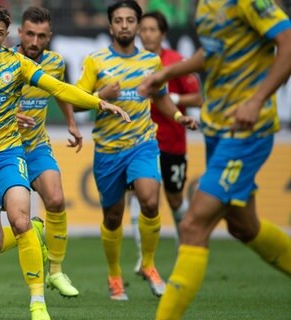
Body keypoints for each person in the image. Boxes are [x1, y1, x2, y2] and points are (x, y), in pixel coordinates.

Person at [0, 4, 129, 319]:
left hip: (8, 153)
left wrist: (98, 102)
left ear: (6, 36)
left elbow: (58, 87)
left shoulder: (15, 63)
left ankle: (37, 302)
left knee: (20, 219)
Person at [137, 0, 291, 318]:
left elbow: (288, 41)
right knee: (243, 226)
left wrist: (257, 99)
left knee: (193, 225)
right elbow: (212, 52)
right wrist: (166, 73)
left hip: (246, 131)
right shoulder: (207, 5)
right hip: (218, 129)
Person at [0, 6, 82, 308]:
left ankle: (55, 271)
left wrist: (72, 122)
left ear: (49, 37)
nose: (35, 40)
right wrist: (11, 112)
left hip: (34, 147)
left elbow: (61, 92)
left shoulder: (54, 63)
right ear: (20, 34)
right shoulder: (6, 60)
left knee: (52, 201)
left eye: (41, 36)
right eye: (30, 34)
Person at [74, 0, 197, 301]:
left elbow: (162, 99)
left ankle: (150, 265)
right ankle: (114, 275)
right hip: (108, 150)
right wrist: (101, 95)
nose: (125, 25)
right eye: (119, 20)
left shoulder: (151, 63)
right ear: (111, 25)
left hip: (142, 144)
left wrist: (180, 117)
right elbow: (76, 102)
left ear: (138, 26)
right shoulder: (96, 61)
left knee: (149, 201)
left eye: (131, 20)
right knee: (113, 218)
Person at [128, 10, 203, 273]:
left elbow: (198, 98)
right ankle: (142, 257)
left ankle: (185, 248)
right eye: (144, 29)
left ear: (162, 34)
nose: (147, 34)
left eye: (152, 29)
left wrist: (171, 99)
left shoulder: (175, 62)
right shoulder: (132, 62)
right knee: (138, 196)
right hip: (139, 141)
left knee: (173, 199)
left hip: (171, 142)